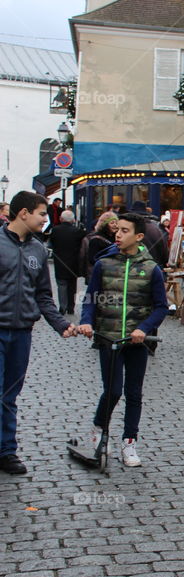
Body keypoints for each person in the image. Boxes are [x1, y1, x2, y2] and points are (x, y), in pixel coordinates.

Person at [76, 213, 168, 467]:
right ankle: (99, 431)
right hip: (109, 337)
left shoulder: (152, 270)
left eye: (125, 231)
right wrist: (86, 321)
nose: (118, 234)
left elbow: (161, 307)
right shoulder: (104, 265)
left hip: (136, 341)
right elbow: (90, 298)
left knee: (134, 393)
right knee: (113, 390)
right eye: (117, 230)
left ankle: (129, 442)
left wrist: (145, 328)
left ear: (138, 237)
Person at [0, 191, 75, 474]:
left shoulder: (38, 250)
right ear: (23, 213)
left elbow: (43, 295)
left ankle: (6, 451)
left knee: (9, 394)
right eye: (43, 214)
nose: (46, 219)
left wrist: (61, 324)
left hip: (21, 332)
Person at [49, 209, 86, 314]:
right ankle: (71, 307)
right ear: (73, 220)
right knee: (72, 286)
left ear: (61, 219)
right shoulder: (77, 231)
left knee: (61, 285)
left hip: (60, 262)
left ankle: (62, 307)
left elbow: (51, 244)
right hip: (73, 264)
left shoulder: (55, 230)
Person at [130, 201, 168, 266]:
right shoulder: (155, 228)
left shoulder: (133, 228)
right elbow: (164, 251)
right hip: (154, 265)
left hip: (137, 266)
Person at [83, 212, 119, 276]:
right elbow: (92, 259)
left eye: (116, 223)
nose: (115, 225)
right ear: (105, 225)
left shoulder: (117, 237)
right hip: (101, 273)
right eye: (112, 223)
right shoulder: (96, 239)